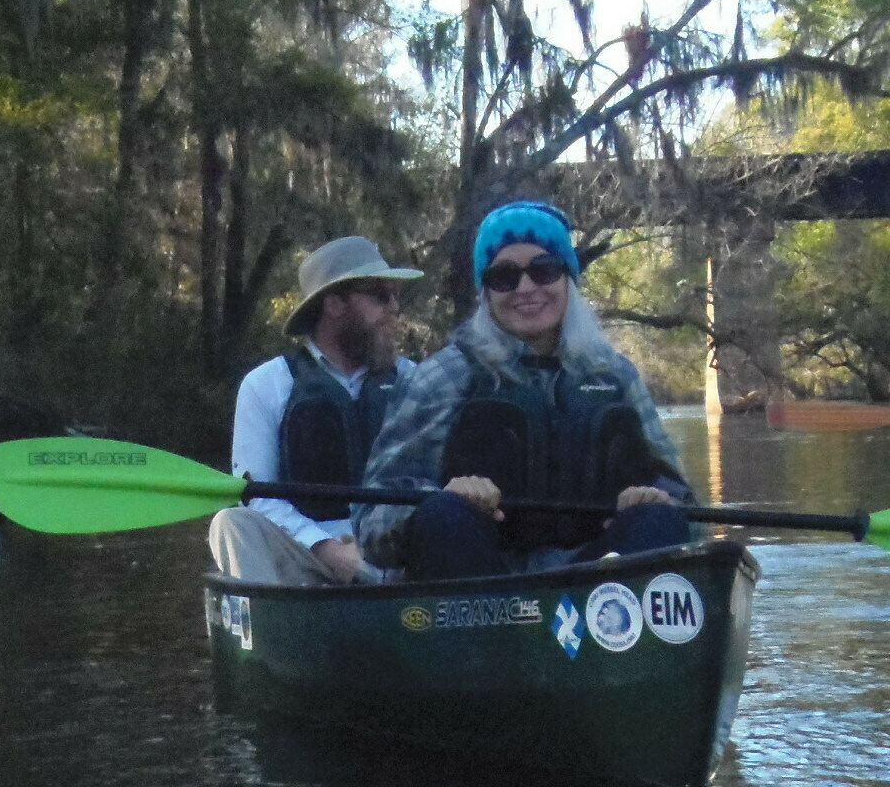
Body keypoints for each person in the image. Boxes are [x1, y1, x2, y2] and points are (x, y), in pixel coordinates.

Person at [355, 201, 694, 580]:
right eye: (504, 277)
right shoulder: (444, 376)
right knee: (444, 514)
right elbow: (373, 519)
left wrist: (651, 498)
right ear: (486, 291)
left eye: (544, 271)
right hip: (480, 580)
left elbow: (682, 499)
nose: (527, 288)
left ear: (568, 278)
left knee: (660, 519)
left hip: (596, 585)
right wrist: (443, 498)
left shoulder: (616, 375)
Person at [206, 236, 422, 586]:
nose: (394, 307)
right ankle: (276, 634)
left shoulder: (415, 380)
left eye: (397, 296)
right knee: (231, 523)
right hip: (307, 557)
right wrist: (326, 549)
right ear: (334, 304)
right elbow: (259, 499)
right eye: (381, 295)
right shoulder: (266, 385)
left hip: (398, 551)